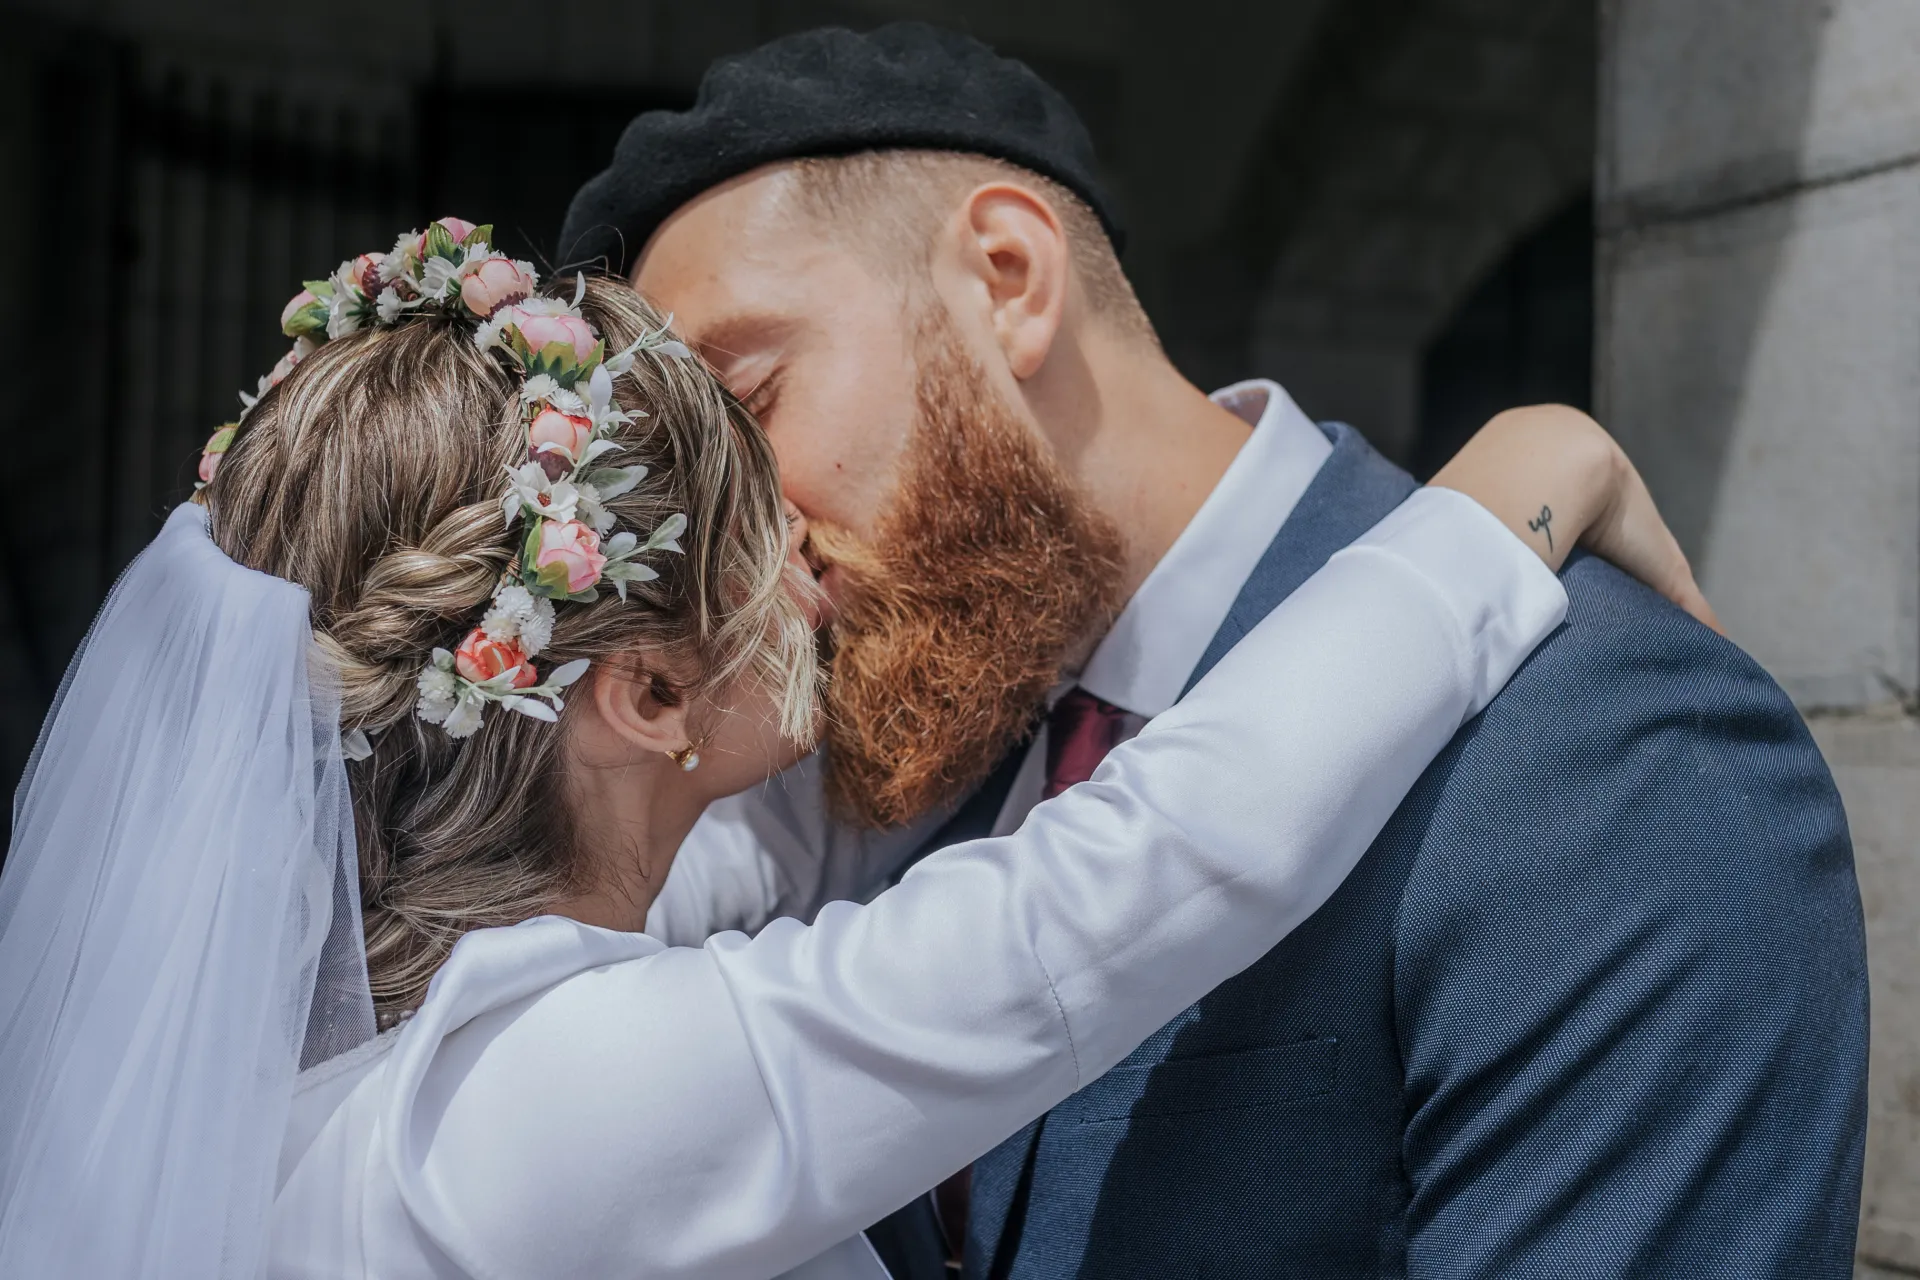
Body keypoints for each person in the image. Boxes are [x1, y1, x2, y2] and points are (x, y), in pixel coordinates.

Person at [0, 219, 1703, 1280]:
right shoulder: (541, 1107)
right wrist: (1510, 494)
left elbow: (777, 845)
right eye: (755, 514)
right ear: (652, 700)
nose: (808, 549)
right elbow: (1114, 890)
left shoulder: (378, 1068)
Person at [559, 21, 1869, 1279]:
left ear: (1009, 279)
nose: (728, 538)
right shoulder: (902, 735)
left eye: (748, 406)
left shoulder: (1602, 742)